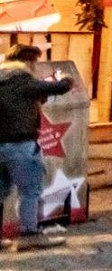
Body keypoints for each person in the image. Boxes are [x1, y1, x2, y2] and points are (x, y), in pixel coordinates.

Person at [0, 45, 71, 250]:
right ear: (29, 62)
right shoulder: (22, 79)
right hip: (21, 146)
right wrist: (65, 77)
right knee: (30, 191)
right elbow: (58, 88)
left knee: (0, 193)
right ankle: (29, 234)